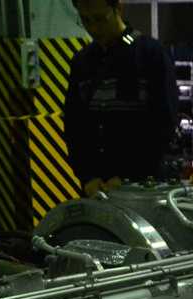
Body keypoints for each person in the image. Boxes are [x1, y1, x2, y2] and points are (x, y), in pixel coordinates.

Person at [64, 0, 179, 198]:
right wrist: (88, 177)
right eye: (85, 20)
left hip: (143, 188)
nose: (93, 28)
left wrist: (129, 175)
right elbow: (75, 127)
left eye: (100, 19)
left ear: (118, 7)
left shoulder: (151, 55)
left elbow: (164, 124)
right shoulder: (82, 63)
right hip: (96, 189)